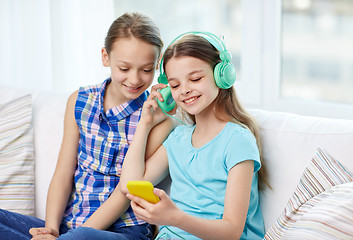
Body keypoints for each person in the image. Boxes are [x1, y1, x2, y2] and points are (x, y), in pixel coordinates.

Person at [0, 12, 173, 240]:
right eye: (124, 68)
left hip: (123, 231)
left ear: (157, 64)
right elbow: (63, 172)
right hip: (70, 225)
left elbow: (125, 194)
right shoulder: (80, 101)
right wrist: (51, 229)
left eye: (146, 69)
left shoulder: (157, 120)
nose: (134, 79)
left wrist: (72, 237)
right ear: (105, 57)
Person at [119, 32, 270, 240]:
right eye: (175, 85)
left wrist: (173, 217)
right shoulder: (178, 138)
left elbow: (232, 231)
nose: (185, 91)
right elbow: (129, 184)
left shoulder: (238, 140)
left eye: (195, 78)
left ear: (222, 75)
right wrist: (145, 124)